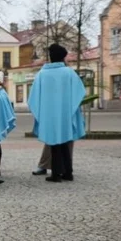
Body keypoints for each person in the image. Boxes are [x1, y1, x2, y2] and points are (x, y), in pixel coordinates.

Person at [29, 43, 86, 183]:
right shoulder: (69, 73)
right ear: (63, 57)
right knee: (66, 141)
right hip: (66, 114)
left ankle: (56, 174)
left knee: (53, 143)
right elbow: (80, 92)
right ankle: (68, 173)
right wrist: (71, 107)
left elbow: (33, 98)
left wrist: (41, 112)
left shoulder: (42, 74)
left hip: (49, 115)